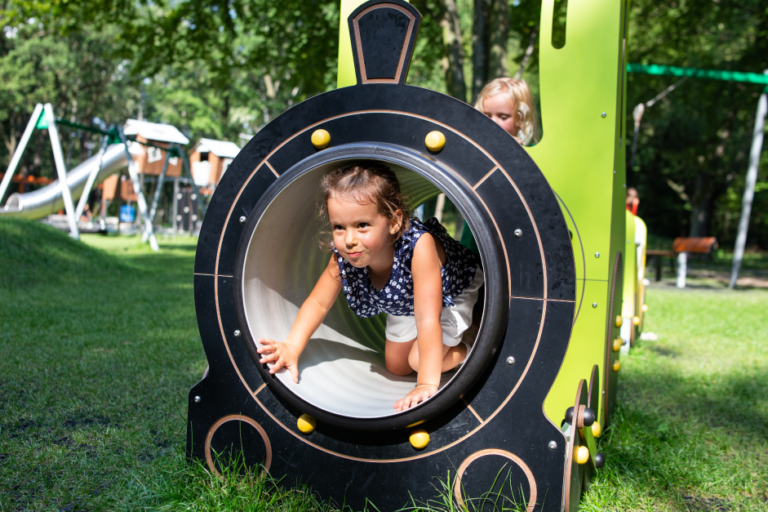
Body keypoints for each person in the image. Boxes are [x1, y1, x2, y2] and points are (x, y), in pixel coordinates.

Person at [256, 163, 484, 412]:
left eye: (362, 225)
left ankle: (471, 343)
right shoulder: (344, 256)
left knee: (418, 361)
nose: (349, 239)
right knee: (396, 366)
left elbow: (427, 317)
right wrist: (292, 346)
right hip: (407, 300)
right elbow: (318, 302)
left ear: (394, 221)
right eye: (339, 227)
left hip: (450, 290)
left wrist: (426, 383)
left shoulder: (419, 247)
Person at [475, 77, 540, 146]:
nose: (493, 122)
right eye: (486, 116)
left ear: (521, 118)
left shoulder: (534, 154)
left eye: (503, 117)